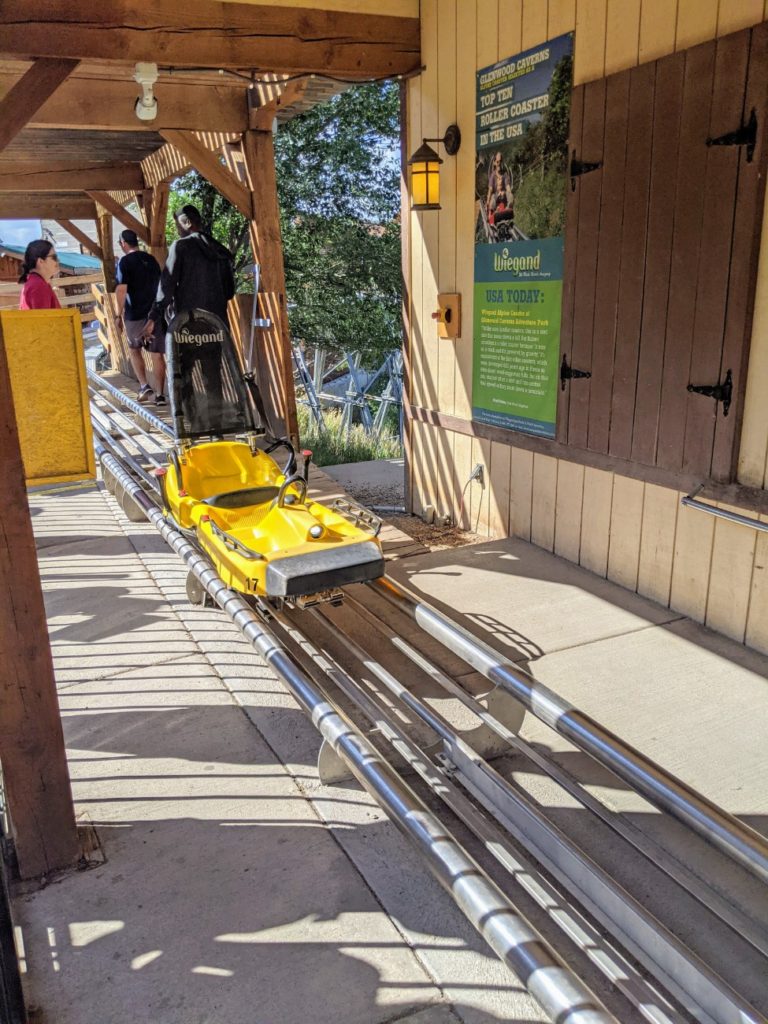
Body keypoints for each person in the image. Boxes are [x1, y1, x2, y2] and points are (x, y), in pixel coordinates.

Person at [144, 204, 235, 332]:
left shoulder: (180, 246)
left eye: (177, 226)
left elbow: (167, 286)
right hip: (218, 325)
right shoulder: (221, 251)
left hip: (188, 325)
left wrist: (153, 316)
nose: (177, 230)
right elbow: (229, 292)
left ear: (187, 223)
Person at [115, 229, 165, 406]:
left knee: (135, 349)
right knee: (157, 354)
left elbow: (121, 289)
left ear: (123, 243)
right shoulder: (151, 260)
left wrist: (117, 315)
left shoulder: (124, 261)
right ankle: (160, 394)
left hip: (134, 315)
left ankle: (144, 386)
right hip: (154, 314)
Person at [18, 239, 62, 310]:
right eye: (54, 257)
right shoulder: (38, 286)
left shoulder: (35, 282)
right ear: (40, 261)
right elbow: (44, 320)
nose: (58, 260)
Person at [485, 151, 514, 228]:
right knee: (493, 198)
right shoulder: (492, 176)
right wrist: (487, 202)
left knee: (510, 195)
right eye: (497, 162)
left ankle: (508, 210)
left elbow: (508, 186)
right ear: (494, 163)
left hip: (503, 197)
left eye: (500, 161)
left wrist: (507, 193)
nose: (499, 163)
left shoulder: (505, 175)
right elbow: (490, 190)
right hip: (496, 197)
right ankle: (491, 218)